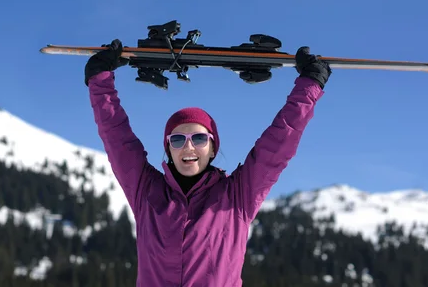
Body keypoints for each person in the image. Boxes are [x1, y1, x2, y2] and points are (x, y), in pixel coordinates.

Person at [84, 39, 331, 287]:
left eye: (199, 138)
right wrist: (99, 81)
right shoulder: (146, 192)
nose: (188, 147)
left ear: (213, 147)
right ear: (168, 148)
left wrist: (309, 86)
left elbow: (277, 144)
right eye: (178, 139)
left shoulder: (237, 197)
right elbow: (117, 138)